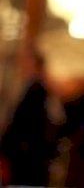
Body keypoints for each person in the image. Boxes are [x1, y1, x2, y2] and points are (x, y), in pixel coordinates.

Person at [0, 53, 57, 187]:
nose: (21, 67)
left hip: (27, 155)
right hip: (26, 155)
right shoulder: (32, 87)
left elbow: (27, 124)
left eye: (26, 63)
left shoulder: (37, 90)